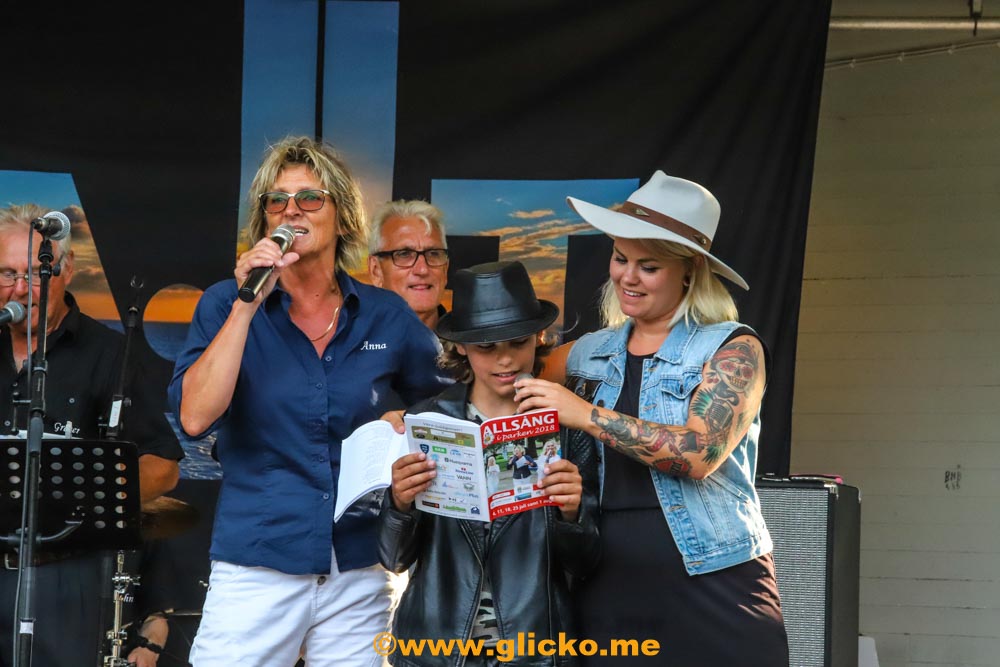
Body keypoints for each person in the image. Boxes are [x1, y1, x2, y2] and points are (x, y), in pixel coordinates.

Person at [168, 136, 448, 667]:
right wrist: (248, 303)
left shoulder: (387, 315)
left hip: (362, 566)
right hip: (258, 563)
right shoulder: (225, 303)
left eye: (310, 198)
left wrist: (406, 420)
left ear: (343, 219)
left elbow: (447, 403)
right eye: (277, 200)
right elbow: (195, 415)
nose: (291, 209)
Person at [513, 172, 789, 666]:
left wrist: (585, 414)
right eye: (620, 258)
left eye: (649, 266)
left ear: (690, 271)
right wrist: (413, 411)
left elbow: (698, 453)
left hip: (716, 587)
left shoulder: (732, 348)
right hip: (608, 590)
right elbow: (501, 384)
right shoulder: (587, 355)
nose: (627, 276)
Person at [378, 261, 600, 666]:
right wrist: (400, 504)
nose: (505, 360)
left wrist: (572, 513)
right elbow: (393, 559)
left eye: (517, 342)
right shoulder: (424, 422)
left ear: (539, 336)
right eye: (486, 347)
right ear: (460, 345)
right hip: (436, 648)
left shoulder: (568, 424)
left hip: (535, 648)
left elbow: (586, 565)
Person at [0, 203, 183, 666]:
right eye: (6, 274)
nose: (22, 288)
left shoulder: (109, 354)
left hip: (65, 577)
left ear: (67, 270)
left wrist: (84, 498)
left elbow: (163, 466)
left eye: (37, 272)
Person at [368, 199, 449, 330]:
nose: (422, 270)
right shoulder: (349, 346)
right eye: (404, 254)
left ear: (445, 270)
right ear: (376, 271)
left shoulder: (470, 348)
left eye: (433, 253)